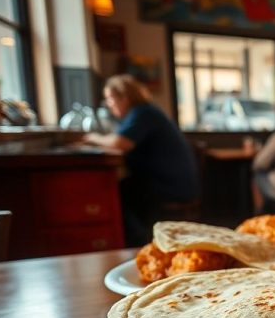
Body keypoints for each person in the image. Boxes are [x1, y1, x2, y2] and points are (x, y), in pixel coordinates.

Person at [83, 75, 199, 247]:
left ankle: (136, 244)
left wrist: (92, 138)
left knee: (113, 194)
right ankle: (138, 243)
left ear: (124, 97)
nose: (108, 103)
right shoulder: (140, 113)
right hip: (167, 182)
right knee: (120, 190)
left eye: (110, 98)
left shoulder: (143, 113)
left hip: (171, 186)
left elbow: (120, 143)